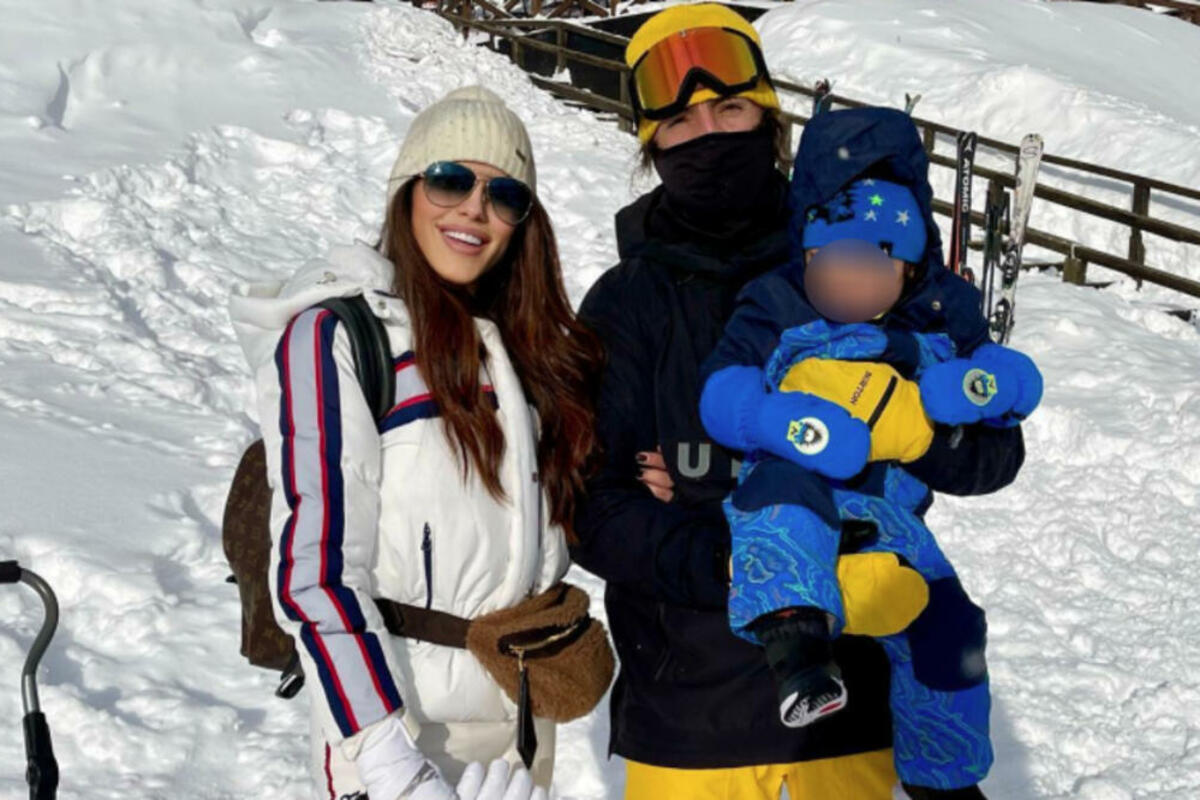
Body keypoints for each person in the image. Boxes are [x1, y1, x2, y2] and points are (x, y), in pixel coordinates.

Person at [572, 6, 1026, 799]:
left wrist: (915, 432)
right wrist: (733, 557)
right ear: (652, 147)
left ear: (770, 121)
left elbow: (994, 454)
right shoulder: (629, 300)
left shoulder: (867, 257)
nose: (709, 135)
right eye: (679, 123)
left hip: (852, 708)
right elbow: (587, 506)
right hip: (688, 719)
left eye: (730, 109)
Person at [230, 86, 603, 800]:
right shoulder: (337, 338)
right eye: (450, 180)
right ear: (407, 191)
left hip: (518, 732)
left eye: (504, 195)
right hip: (399, 730)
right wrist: (389, 763)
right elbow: (315, 571)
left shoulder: (525, 354)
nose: (475, 209)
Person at [699, 107, 1042, 798]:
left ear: (907, 269)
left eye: (872, 267)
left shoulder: (940, 314)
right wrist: (768, 416)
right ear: (807, 251)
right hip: (797, 485)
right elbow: (720, 388)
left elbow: (1006, 390)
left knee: (951, 629)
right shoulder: (776, 303)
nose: (849, 284)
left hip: (894, 513)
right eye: (833, 264)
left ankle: (944, 776)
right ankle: (797, 647)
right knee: (778, 516)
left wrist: (979, 393)